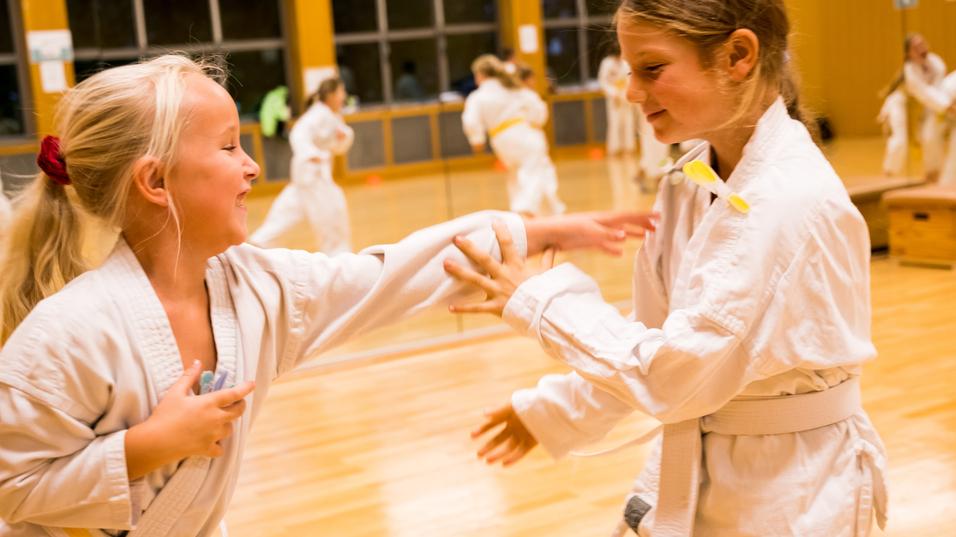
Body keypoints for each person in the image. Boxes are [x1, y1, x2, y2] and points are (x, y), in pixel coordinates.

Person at [0, 54, 656, 536]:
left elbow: (390, 273)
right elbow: (13, 486)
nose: (252, 165)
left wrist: (536, 229)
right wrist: (151, 444)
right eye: (229, 147)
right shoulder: (66, 333)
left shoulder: (257, 290)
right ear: (156, 181)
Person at [445, 1, 888, 535]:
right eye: (631, 70)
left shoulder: (786, 197)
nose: (632, 91)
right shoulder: (688, 181)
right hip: (701, 460)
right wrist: (554, 409)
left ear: (737, 56)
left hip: (792, 489)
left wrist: (539, 301)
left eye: (652, 69)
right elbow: (651, 337)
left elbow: (673, 376)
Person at [249, 78, 354, 254]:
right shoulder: (318, 114)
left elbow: (337, 146)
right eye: (341, 92)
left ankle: (258, 244)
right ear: (331, 95)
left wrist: (343, 137)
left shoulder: (332, 115)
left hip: (307, 176)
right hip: (313, 175)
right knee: (331, 214)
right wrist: (311, 154)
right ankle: (337, 255)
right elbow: (298, 133)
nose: (343, 96)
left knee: (286, 213)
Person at [463, 54, 567, 217]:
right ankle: (526, 208)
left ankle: (542, 209)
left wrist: (477, 140)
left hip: (500, 140)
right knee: (535, 171)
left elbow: (471, 120)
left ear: (480, 75)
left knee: (518, 173)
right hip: (524, 134)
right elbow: (537, 107)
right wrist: (536, 121)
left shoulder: (478, 96)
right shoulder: (512, 87)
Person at [902, 33, 956, 183]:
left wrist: (949, 104)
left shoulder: (935, 61)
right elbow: (926, 94)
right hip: (924, 109)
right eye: (916, 47)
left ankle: (945, 178)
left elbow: (942, 87)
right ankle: (933, 174)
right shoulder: (910, 71)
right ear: (908, 53)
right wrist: (948, 106)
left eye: (922, 44)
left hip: (942, 102)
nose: (922, 49)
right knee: (930, 137)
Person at [598, 49, 637, 156]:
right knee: (614, 123)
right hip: (613, 98)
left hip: (625, 95)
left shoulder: (625, 62)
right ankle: (614, 149)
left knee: (628, 122)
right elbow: (603, 81)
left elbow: (630, 79)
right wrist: (613, 93)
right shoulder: (606, 63)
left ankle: (628, 148)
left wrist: (626, 93)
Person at [878, 75, 908, 176]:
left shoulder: (902, 95)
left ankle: (893, 170)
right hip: (895, 122)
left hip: (901, 123)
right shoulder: (895, 96)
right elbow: (886, 111)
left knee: (901, 144)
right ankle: (887, 169)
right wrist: (885, 123)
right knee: (897, 143)